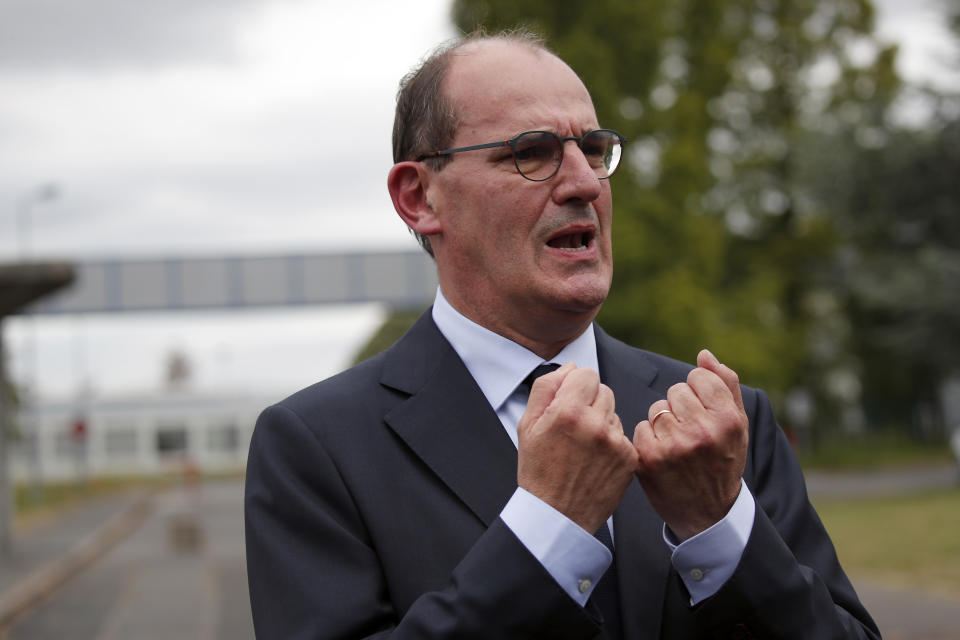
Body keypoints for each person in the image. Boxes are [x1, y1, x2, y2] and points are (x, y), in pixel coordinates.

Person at [245, 30, 880, 639]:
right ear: (420, 197)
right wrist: (546, 535)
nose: (584, 183)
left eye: (595, 149)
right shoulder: (317, 449)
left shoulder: (722, 423)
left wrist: (719, 530)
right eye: (531, 152)